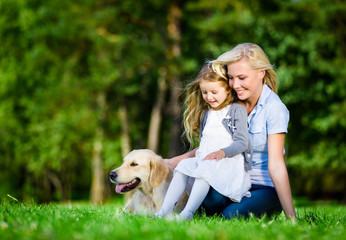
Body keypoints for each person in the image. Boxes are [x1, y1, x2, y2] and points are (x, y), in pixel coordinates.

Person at [166, 43, 296, 220]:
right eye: (231, 78)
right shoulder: (228, 103)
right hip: (232, 179)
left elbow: (276, 165)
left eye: (242, 78)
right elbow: (215, 148)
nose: (235, 85)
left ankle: (242, 208)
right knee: (209, 197)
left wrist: (292, 218)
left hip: (263, 187)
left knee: (230, 216)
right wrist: (172, 162)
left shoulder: (275, 109)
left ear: (261, 73)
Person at [155, 64, 252, 220]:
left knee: (204, 169)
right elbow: (204, 144)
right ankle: (163, 211)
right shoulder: (206, 114)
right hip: (207, 160)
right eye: (205, 92)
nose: (209, 97)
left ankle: (188, 213)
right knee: (183, 166)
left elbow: (242, 142)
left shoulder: (236, 110)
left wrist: (222, 152)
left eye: (214, 92)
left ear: (227, 89)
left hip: (228, 163)